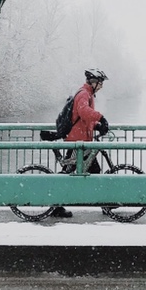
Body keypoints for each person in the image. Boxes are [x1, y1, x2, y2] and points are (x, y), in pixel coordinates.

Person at [51, 68, 110, 218]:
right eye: (101, 83)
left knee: (90, 172)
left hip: (81, 140)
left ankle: (105, 204)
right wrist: (101, 117)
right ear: (94, 82)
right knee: (70, 174)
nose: (102, 86)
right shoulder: (84, 94)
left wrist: (96, 125)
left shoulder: (87, 93)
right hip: (77, 141)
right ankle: (55, 205)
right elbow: (83, 111)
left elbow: (82, 118)